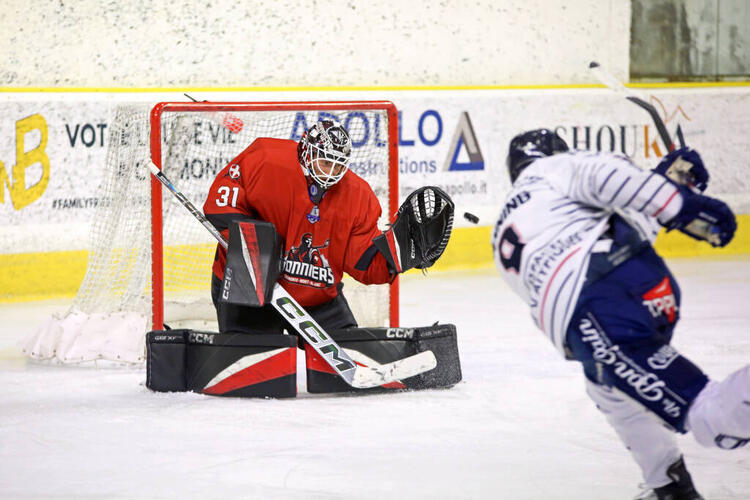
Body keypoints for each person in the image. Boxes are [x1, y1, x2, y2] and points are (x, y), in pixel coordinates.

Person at [492, 129, 749, 499]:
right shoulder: (557, 176)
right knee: (606, 386)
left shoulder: (509, 221)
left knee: (714, 419)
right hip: (628, 292)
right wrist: (674, 196)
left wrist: (672, 199)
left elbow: (605, 190)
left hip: (599, 307)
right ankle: (668, 485)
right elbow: (618, 197)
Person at [203, 118, 453, 336]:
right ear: (307, 153)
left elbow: (362, 261)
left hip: (316, 296)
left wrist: (399, 256)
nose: (332, 172)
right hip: (248, 289)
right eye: (325, 162)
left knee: (349, 360)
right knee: (257, 368)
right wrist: (252, 243)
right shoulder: (266, 160)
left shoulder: (358, 196)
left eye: (339, 165)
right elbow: (220, 203)